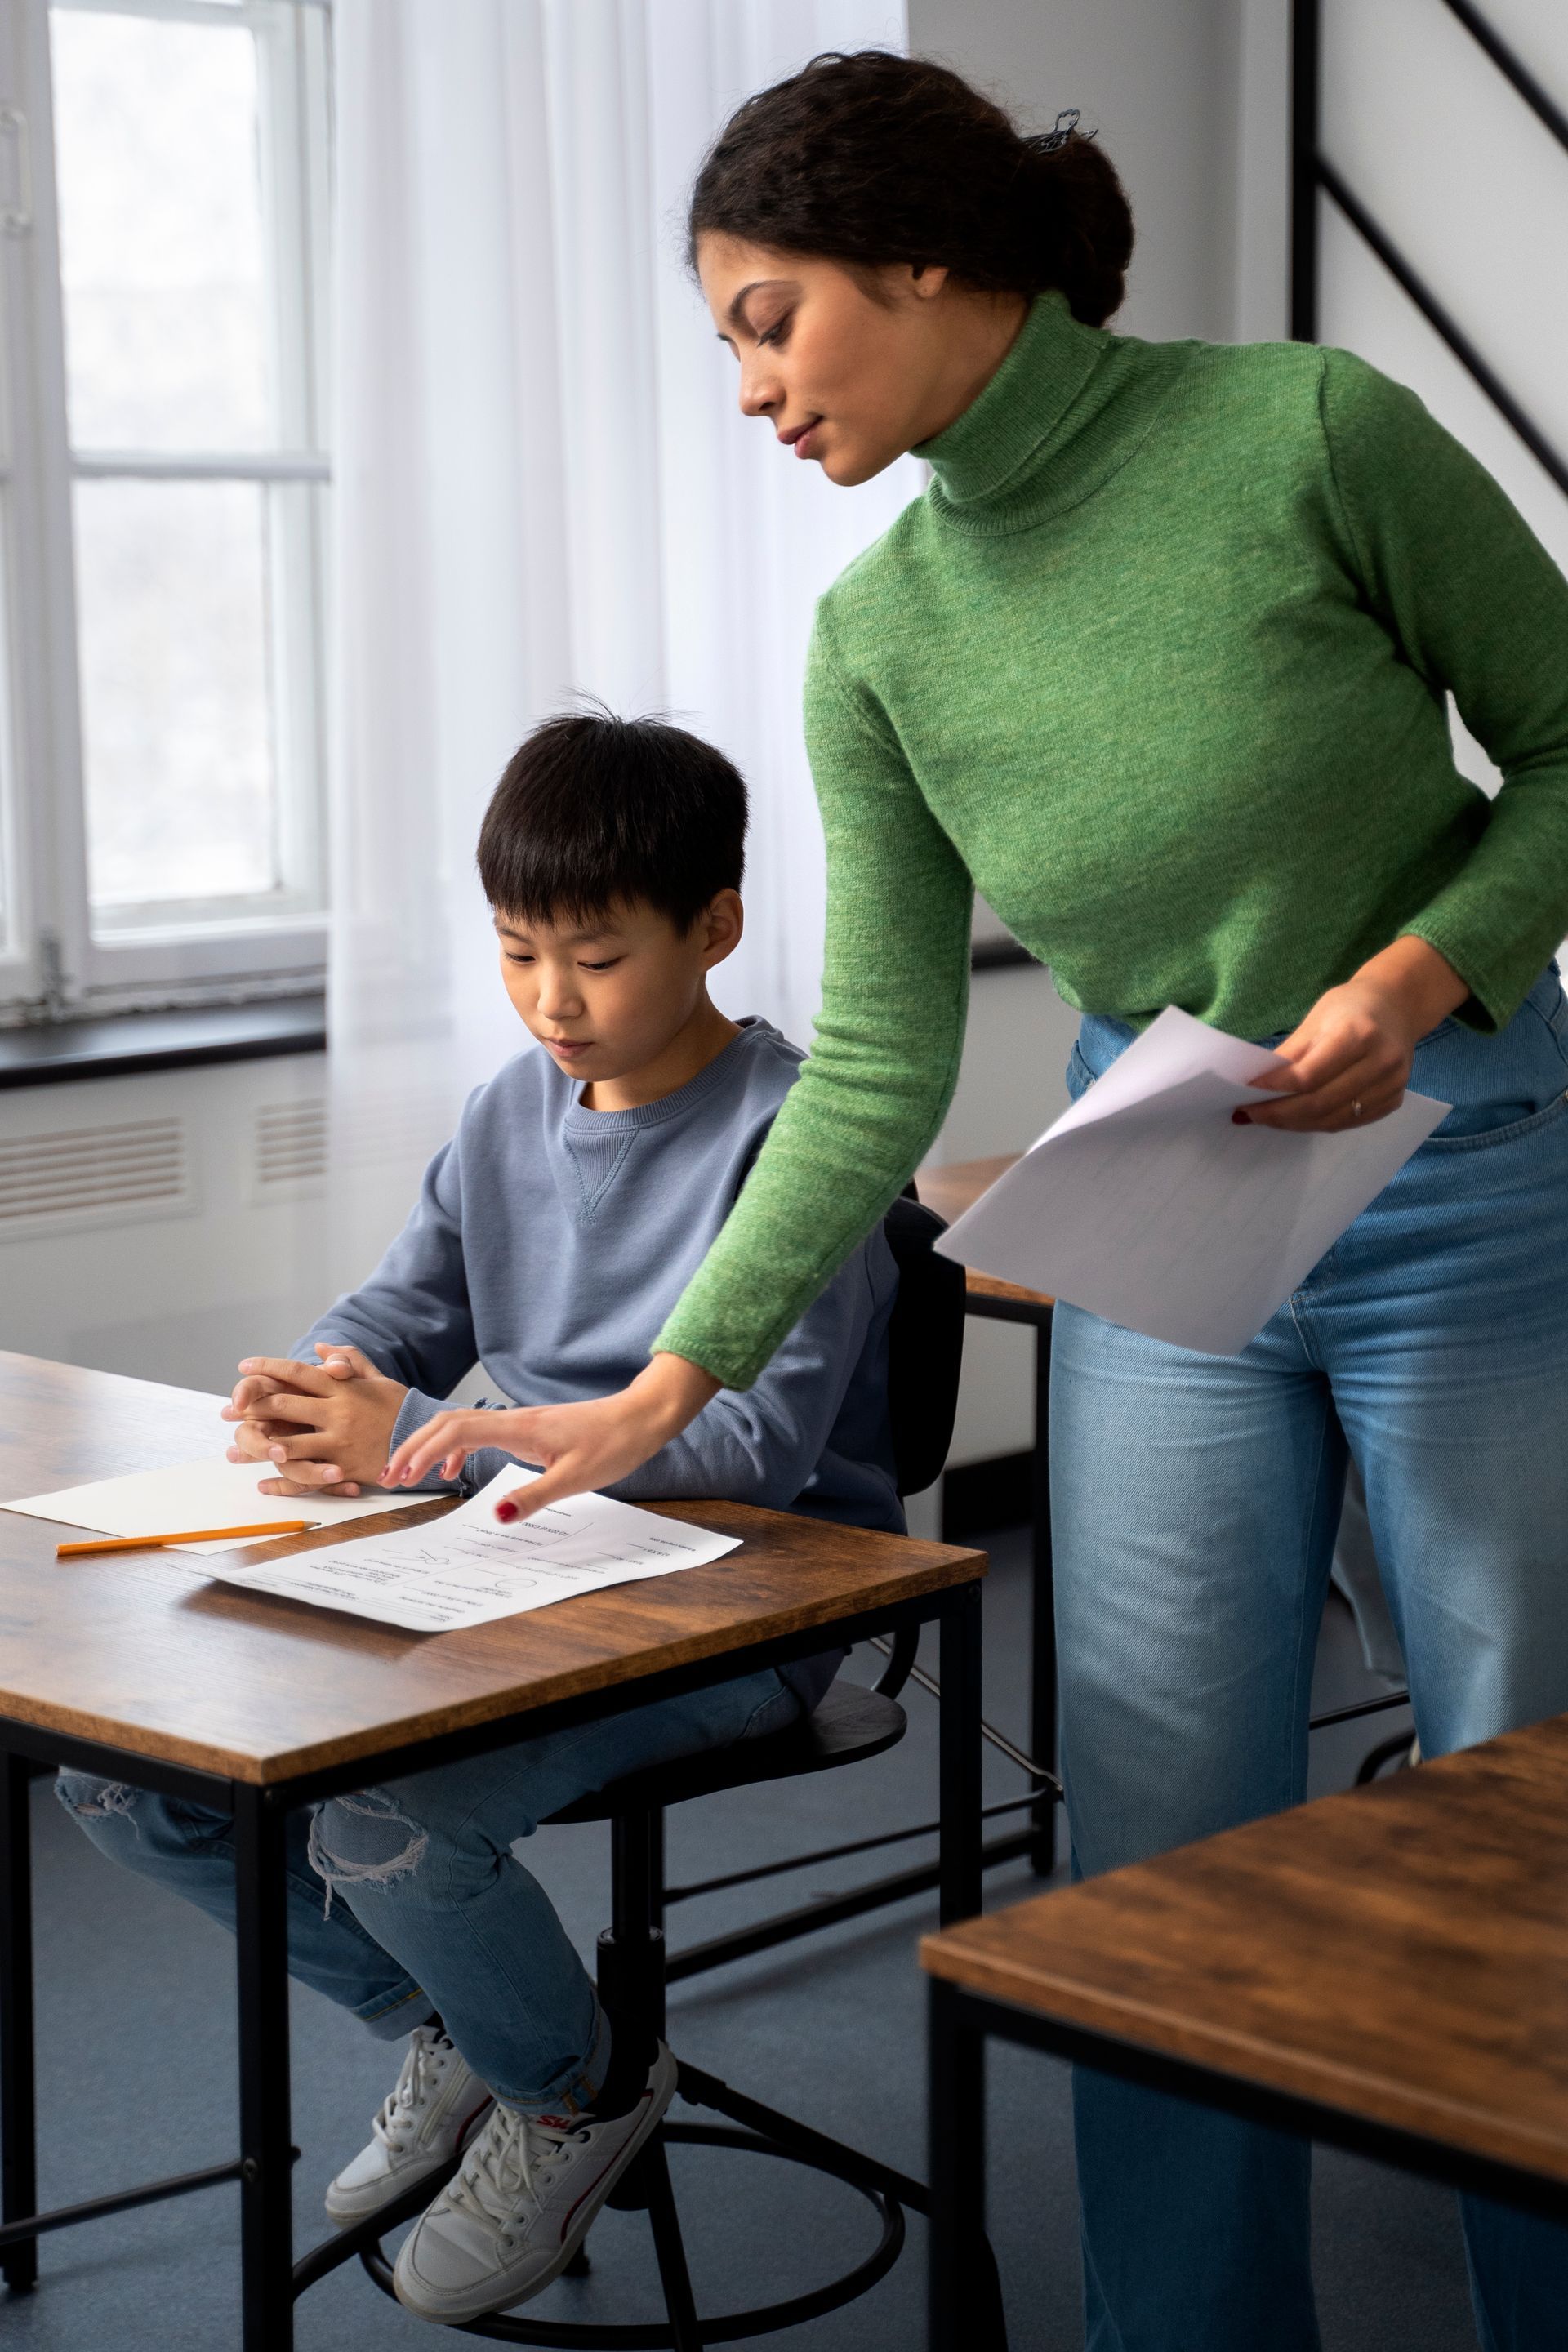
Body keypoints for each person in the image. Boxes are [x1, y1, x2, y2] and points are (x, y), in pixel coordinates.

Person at [448, 51, 1568, 2352]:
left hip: (1467, 1185)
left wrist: (1427, 962)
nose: (747, 387)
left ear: (930, 265)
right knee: (1153, 1855)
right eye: (725, 343)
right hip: (1166, 1240)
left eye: (768, 321)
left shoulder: (1306, 435)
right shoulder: (882, 638)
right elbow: (869, 1065)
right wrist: (666, 1386)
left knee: (1523, 1818)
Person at [56, 709, 899, 2329]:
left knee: (386, 1817)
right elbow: (400, 1306)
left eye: (593, 958)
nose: (553, 1004)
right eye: (519, 956)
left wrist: (427, 1453)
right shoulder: (517, 1107)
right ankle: (475, 2034)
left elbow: (760, 1442)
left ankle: (574, 2094)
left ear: (713, 929)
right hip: (513, 1560)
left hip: (744, 1602)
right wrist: (325, 1381)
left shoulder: (797, 1139)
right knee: (126, 1784)